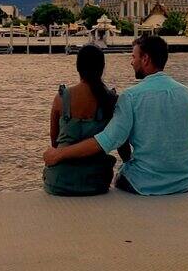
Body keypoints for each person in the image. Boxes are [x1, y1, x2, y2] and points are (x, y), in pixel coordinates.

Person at [44, 35, 188, 196]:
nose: (132, 62)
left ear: (145, 59)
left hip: (145, 184)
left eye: (134, 56)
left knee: (123, 174)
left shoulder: (132, 96)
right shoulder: (186, 93)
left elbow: (107, 140)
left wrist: (58, 154)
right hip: (183, 181)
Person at [43, 44, 130, 196]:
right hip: (96, 182)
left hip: (60, 181)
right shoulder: (111, 100)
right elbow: (123, 146)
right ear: (102, 68)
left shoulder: (62, 98)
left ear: (78, 67)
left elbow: (55, 142)